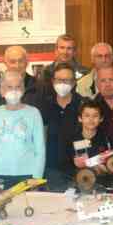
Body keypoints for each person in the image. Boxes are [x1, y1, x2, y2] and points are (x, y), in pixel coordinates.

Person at [0, 71, 45, 188]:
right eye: (9, 87)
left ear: (23, 90)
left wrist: (37, 177)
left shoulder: (34, 113)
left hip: (27, 174)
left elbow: (40, 149)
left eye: (18, 87)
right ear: (1, 91)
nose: (14, 90)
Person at [42, 63, 83, 192]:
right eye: (59, 80)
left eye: (68, 80)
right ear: (53, 81)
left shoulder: (83, 104)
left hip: (78, 169)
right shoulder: (45, 105)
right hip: (51, 170)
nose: (63, 83)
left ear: (74, 82)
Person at [60, 98, 113, 184]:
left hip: (101, 185)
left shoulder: (107, 139)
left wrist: (103, 169)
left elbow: (112, 166)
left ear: (101, 119)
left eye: (95, 116)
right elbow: (64, 166)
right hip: (77, 185)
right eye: (87, 115)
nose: (91, 119)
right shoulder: (70, 140)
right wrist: (76, 167)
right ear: (80, 118)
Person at [0, 46, 47, 114]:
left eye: (21, 61)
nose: (17, 65)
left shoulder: (40, 87)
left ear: (27, 63)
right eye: (12, 62)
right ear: (5, 63)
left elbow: (45, 117)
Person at [92, 66, 113, 149]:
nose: (108, 84)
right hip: (101, 157)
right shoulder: (91, 106)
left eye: (111, 80)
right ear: (97, 84)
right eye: (103, 81)